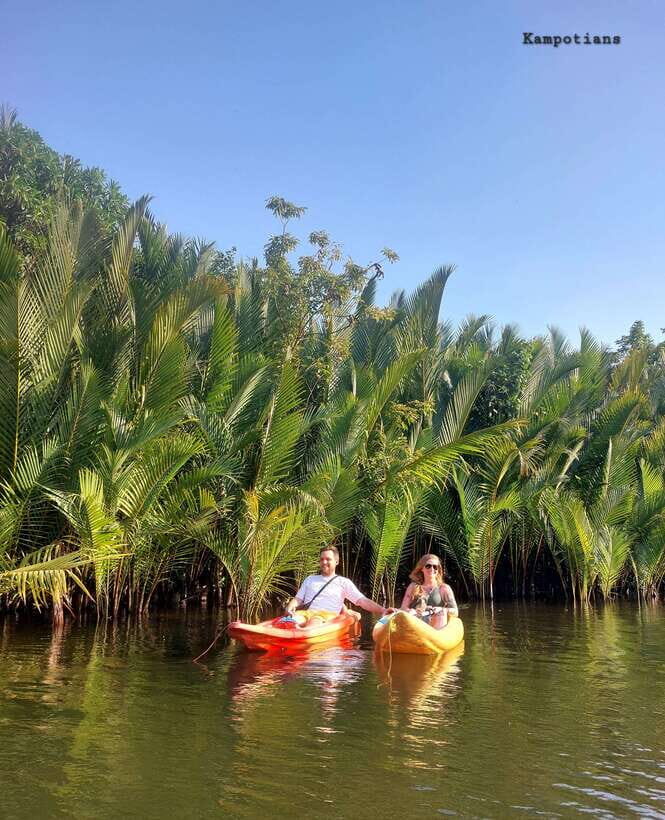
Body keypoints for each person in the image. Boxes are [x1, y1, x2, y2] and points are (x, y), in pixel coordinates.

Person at [284, 546, 393, 627]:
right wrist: (289, 607)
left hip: (326, 616)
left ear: (336, 561)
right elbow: (298, 599)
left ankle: (303, 636)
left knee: (314, 621)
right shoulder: (310, 579)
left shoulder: (343, 582)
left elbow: (362, 601)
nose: (324, 562)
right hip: (306, 613)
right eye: (321, 559)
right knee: (288, 621)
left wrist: (382, 610)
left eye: (328, 559)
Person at [400, 554, 458, 630]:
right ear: (422, 568)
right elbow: (403, 608)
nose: (432, 569)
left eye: (435, 567)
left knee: (442, 613)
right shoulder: (413, 587)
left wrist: (441, 609)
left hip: (436, 626)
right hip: (416, 625)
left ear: (438, 570)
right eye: (428, 566)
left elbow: (455, 611)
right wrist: (411, 611)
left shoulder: (444, 588)